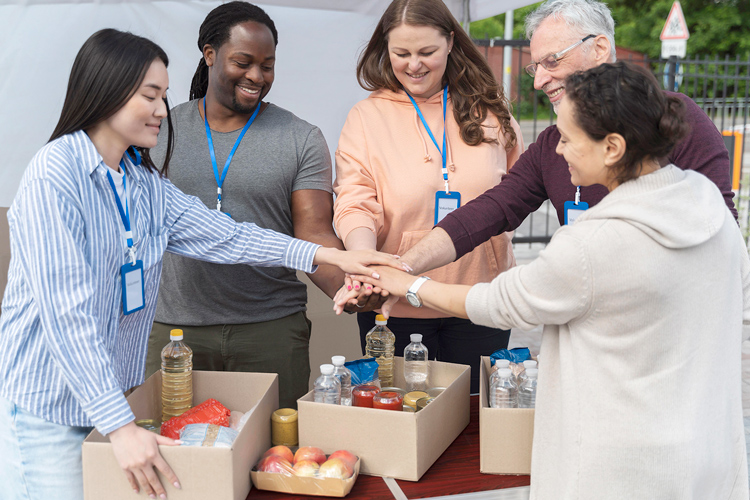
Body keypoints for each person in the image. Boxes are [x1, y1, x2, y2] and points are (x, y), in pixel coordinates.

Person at [0, 29, 401, 500]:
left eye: (164, 95)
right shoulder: (55, 176)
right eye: (150, 95)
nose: (162, 110)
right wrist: (121, 426)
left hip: (113, 404)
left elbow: (227, 236)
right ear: (106, 92)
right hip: (52, 411)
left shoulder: (139, 180)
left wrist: (327, 253)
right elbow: (66, 318)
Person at [341, 61, 750, 499]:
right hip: (705, 454)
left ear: (612, 147)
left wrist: (406, 284)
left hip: (620, 468)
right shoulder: (706, 206)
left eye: (569, 139)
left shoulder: (594, 244)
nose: (558, 151)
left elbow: (498, 302)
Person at [395, 0, 737, 290]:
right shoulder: (552, 143)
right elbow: (491, 209)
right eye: (535, 67)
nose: (540, 80)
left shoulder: (673, 118)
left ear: (600, 48)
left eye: (552, 61)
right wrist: (405, 266)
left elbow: (721, 234)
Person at [143, 2, 384, 409]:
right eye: (243, 62)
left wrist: (350, 288)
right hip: (174, 331)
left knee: (275, 455)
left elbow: (314, 234)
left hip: (269, 330)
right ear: (209, 54)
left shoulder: (300, 137)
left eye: (267, 65)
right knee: (172, 453)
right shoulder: (159, 128)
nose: (256, 76)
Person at [332, 0, 524, 393]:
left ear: (451, 42)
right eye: (401, 53)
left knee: (474, 422)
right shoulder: (366, 117)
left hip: (479, 299)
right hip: (393, 304)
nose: (413, 65)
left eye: (426, 52)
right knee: (400, 419)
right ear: (385, 49)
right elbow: (355, 201)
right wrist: (365, 264)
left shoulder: (491, 110)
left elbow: (518, 190)